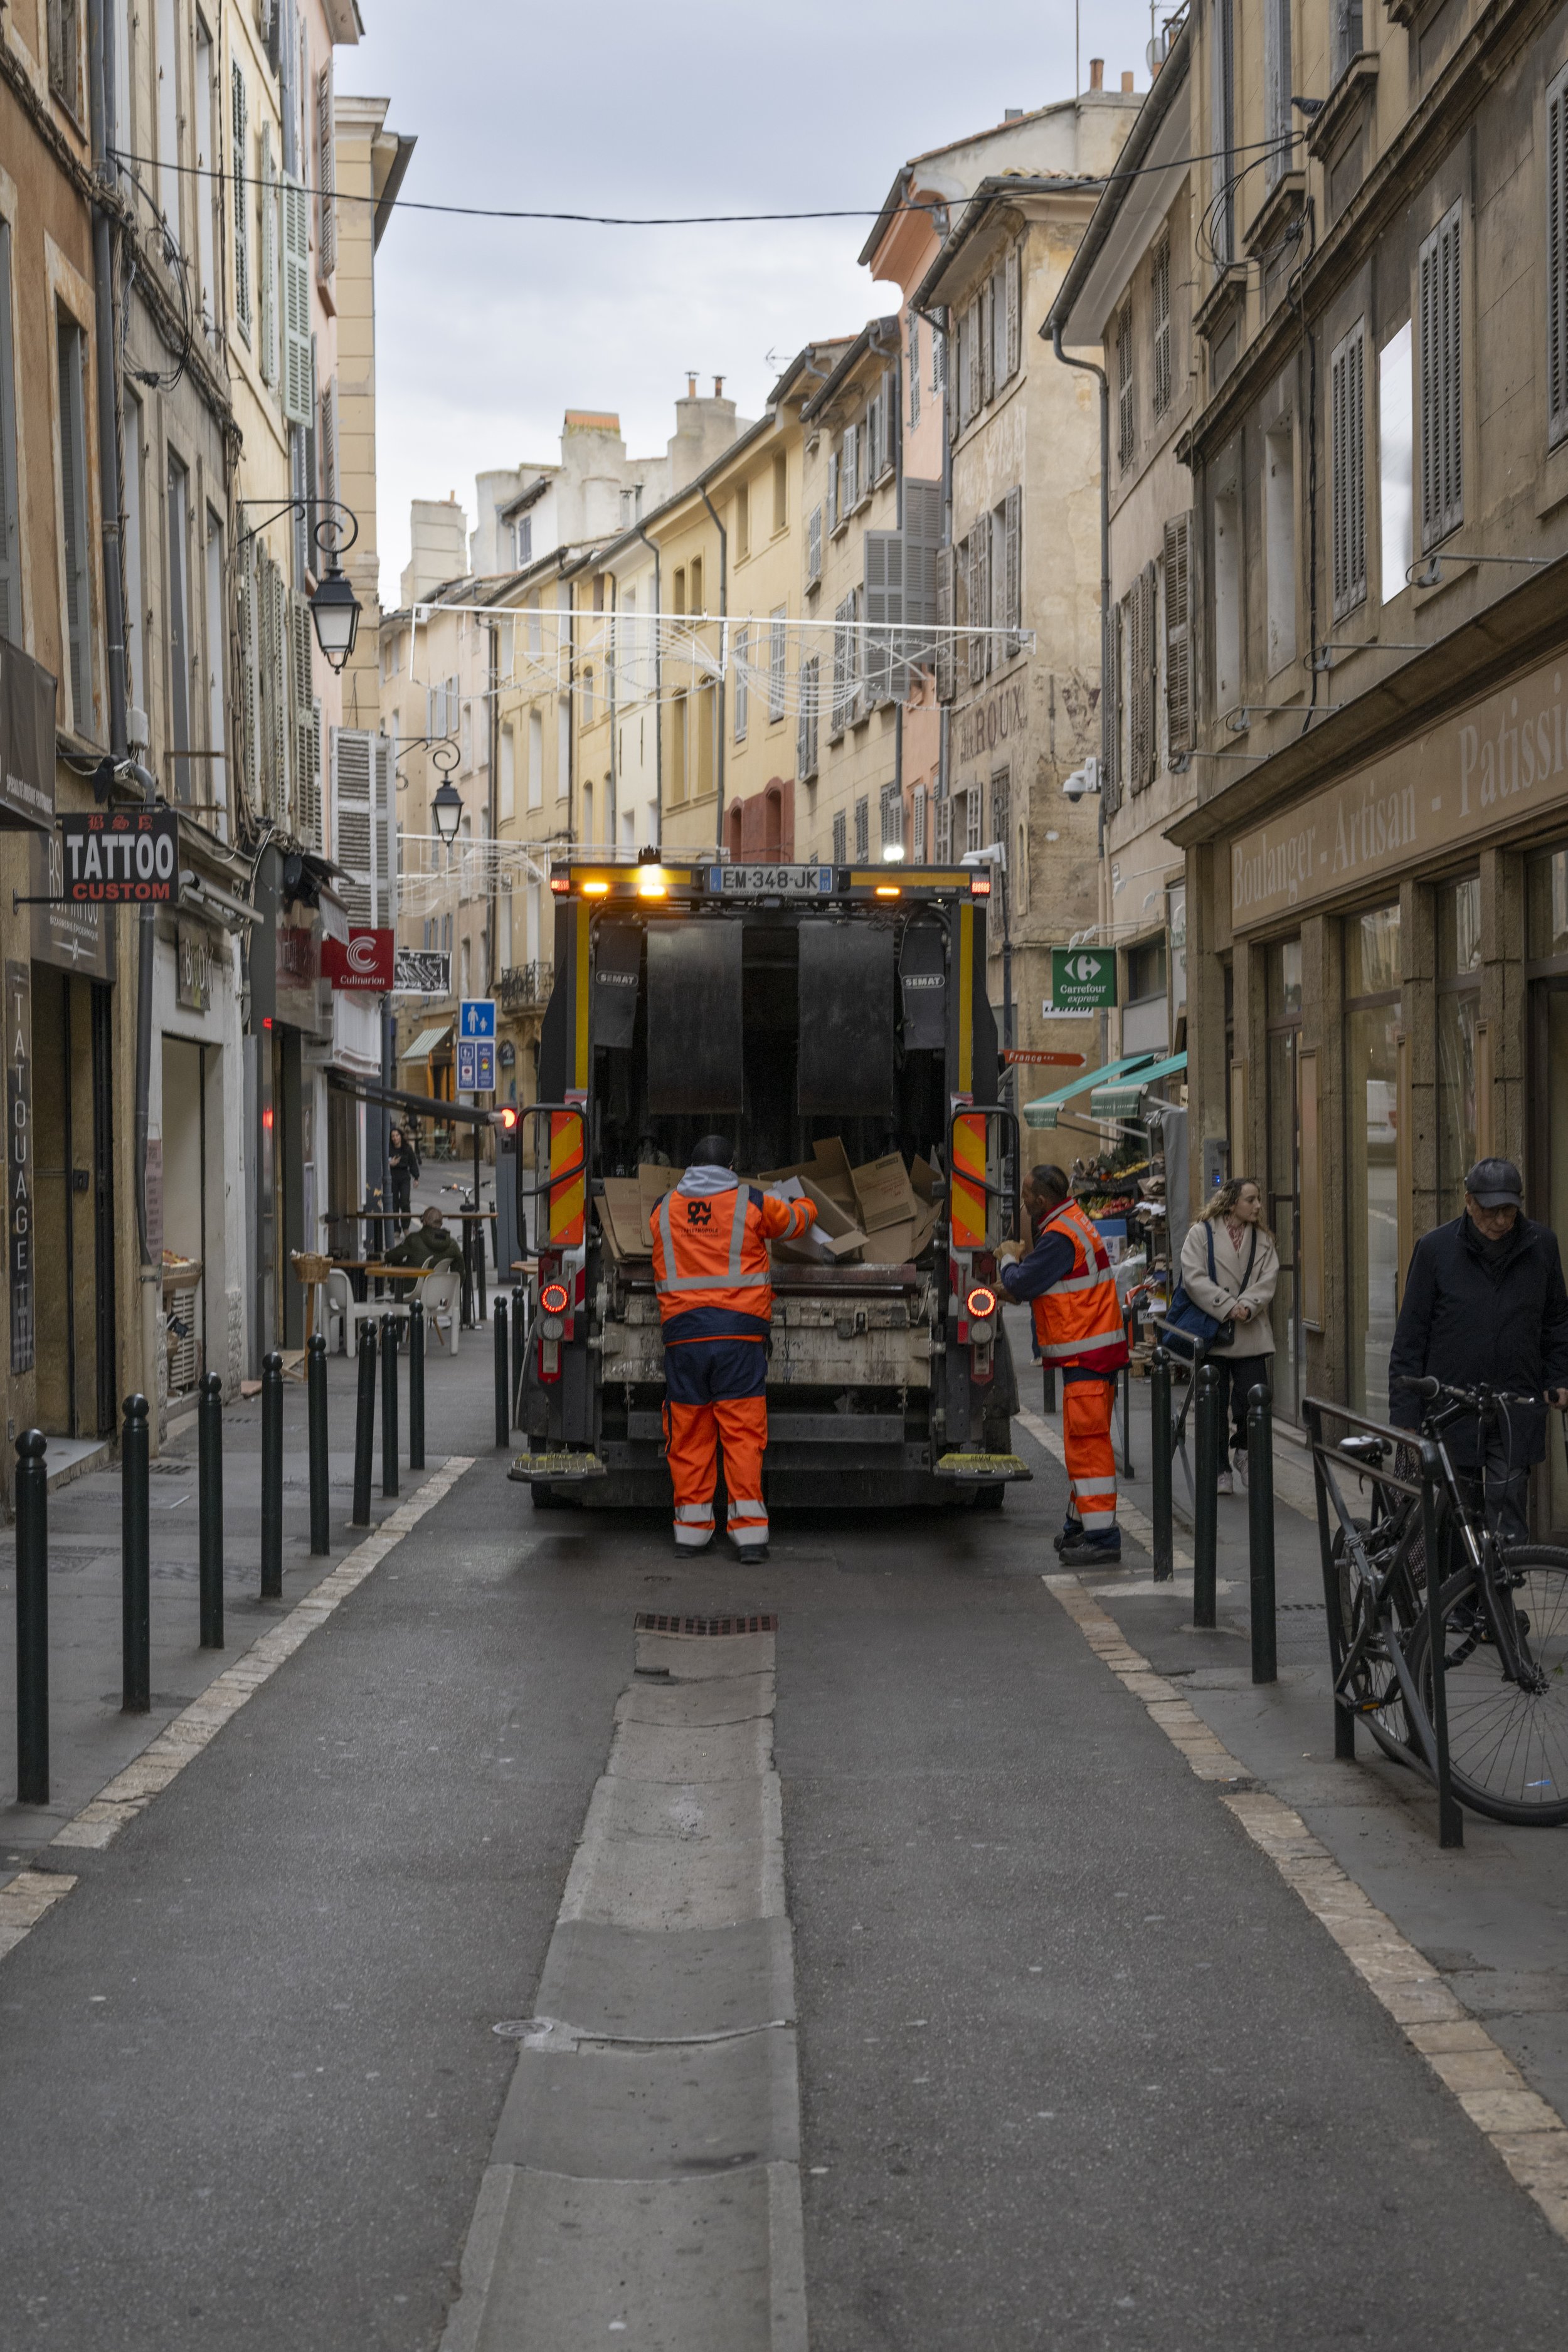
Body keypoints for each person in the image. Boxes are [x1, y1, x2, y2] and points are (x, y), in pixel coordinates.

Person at [650, 1134, 817, 1562]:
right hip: (739, 1340)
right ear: (731, 1166)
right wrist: (810, 1204)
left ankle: (691, 1533)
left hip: (684, 1339)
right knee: (742, 1434)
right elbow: (795, 1224)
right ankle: (749, 1538)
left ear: (689, 1166)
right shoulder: (752, 1202)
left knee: (688, 1434)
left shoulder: (663, 1208)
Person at [1388, 1157, 1568, 1543]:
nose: (1501, 1221)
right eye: (1491, 1211)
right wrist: (1405, 1411)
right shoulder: (1435, 1249)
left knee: (1508, 1509)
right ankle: (1462, 1603)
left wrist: (1559, 1377)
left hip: (1514, 1402)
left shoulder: (1542, 1246)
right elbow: (1411, 1334)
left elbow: (1556, 1321)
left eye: (1509, 1210)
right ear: (1469, 1202)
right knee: (1457, 1513)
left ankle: (1500, 1598)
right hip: (1453, 1405)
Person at [997, 1164, 1129, 1565]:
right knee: (1083, 1444)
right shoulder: (1073, 1222)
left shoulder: (1058, 1237)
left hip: (1086, 1352)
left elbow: (1021, 1282)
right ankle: (1079, 1527)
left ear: (1041, 1200)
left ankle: (1102, 1537)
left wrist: (1006, 1261)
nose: (1022, 1199)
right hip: (1097, 1350)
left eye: (1025, 1193)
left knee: (1088, 1447)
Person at [1179, 1176, 1279, 1494]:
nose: (1258, 1206)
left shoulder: (1263, 1240)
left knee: (1254, 1399)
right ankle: (1220, 1467)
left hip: (1250, 1331)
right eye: (1251, 1200)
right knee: (1214, 1407)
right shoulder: (1201, 1234)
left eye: (1258, 1199)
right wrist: (1226, 1305)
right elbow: (1193, 1277)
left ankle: (1245, 1454)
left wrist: (1247, 1306)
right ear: (1232, 1202)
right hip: (1215, 1331)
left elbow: (1268, 1278)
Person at [381, 1202, 464, 1298]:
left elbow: (390, 1256)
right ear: (441, 1223)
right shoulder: (452, 1244)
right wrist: (451, 1295)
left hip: (409, 1291)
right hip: (437, 1295)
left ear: (424, 1222)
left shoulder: (414, 1239)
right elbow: (460, 1272)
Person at [388, 1123, 420, 1232]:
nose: (395, 1138)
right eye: (393, 1136)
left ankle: (406, 1227)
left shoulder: (407, 1148)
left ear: (401, 1136)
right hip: (392, 1176)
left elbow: (413, 1163)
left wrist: (416, 1178)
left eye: (397, 1135)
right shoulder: (389, 1148)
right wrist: (390, 1163)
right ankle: (396, 1229)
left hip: (404, 1176)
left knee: (405, 1202)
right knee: (394, 1204)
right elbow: (383, 1160)